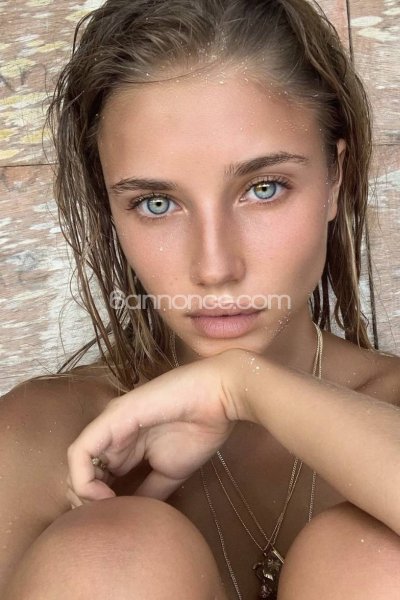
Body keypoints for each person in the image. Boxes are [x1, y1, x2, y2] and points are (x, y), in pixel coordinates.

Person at [1, 0, 400, 598]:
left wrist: (242, 386)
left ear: (334, 179)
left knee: (374, 558)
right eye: (156, 203)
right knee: (109, 551)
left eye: (264, 188)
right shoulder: (40, 439)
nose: (215, 268)